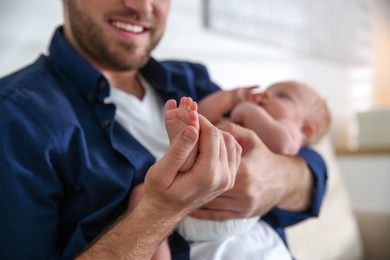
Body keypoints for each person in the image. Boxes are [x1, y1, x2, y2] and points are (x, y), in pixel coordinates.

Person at [0, 0, 327, 259]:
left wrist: (278, 177)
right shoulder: (15, 116)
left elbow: (310, 167)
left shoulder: (190, 79)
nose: (142, 5)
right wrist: (157, 214)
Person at [177, 81, 331, 249]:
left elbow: (283, 145)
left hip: (226, 215)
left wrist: (249, 111)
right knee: (144, 194)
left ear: (306, 130)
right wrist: (230, 98)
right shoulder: (245, 119)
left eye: (282, 96)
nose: (266, 95)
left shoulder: (290, 130)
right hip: (188, 203)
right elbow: (203, 118)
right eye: (268, 90)